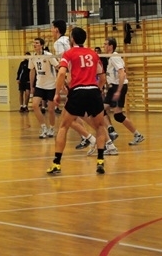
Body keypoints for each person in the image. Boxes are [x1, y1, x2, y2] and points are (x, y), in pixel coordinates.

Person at [46, 27, 108, 175]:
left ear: (72, 39)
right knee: (100, 126)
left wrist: (57, 93)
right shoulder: (93, 54)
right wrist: (97, 90)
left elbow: (62, 73)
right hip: (93, 91)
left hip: (78, 91)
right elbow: (103, 78)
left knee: (63, 126)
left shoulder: (68, 54)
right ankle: (100, 161)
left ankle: (56, 163)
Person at [51, 19, 96, 152]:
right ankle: (91, 138)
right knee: (77, 115)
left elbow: (65, 64)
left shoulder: (58, 43)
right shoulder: (68, 40)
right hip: (84, 80)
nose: (51, 30)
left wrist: (64, 81)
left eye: (52, 28)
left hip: (75, 81)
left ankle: (98, 139)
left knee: (68, 119)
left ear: (56, 29)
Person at [103, 37, 145, 147]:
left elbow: (122, 73)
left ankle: (138, 135)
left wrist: (119, 90)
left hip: (118, 87)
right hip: (113, 87)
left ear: (111, 46)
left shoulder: (114, 56)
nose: (104, 46)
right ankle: (111, 131)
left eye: (105, 44)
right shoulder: (110, 57)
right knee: (101, 110)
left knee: (118, 115)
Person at [29, 38, 58, 138]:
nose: (34, 44)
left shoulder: (49, 55)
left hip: (51, 85)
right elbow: (32, 71)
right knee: (35, 105)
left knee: (51, 110)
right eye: (34, 43)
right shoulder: (32, 57)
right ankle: (44, 127)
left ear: (41, 45)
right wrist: (31, 86)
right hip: (39, 85)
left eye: (37, 43)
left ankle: (52, 128)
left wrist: (62, 81)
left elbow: (57, 66)